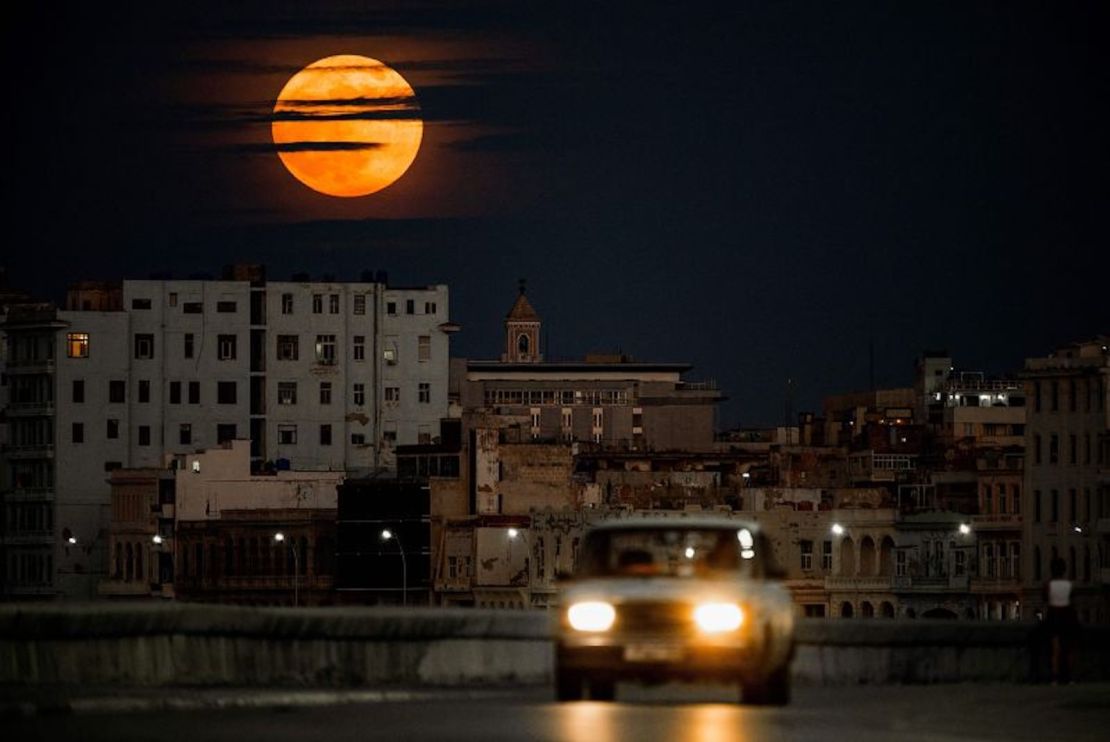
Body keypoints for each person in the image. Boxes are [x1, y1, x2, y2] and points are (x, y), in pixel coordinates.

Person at [1043, 557, 1077, 684]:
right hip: (1067, 615)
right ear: (1064, 570)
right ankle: (1070, 677)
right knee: (1069, 649)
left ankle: (1055, 677)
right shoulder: (1070, 584)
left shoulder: (1048, 585)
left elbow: (1045, 598)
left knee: (1055, 649)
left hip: (1054, 615)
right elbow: (1072, 600)